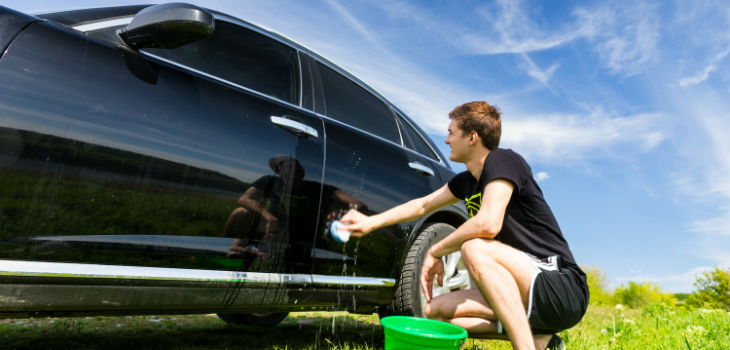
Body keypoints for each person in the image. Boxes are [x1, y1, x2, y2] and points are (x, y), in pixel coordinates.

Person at [339, 101, 588, 350]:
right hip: (522, 287)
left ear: (472, 137)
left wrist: (436, 251)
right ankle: (542, 340)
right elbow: (422, 206)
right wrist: (371, 221)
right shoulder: (467, 182)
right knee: (435, 312)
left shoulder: (503, 160)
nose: (446, 140)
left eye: (451, 132)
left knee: (475, 248)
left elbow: (488, 223)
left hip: (559, 286)